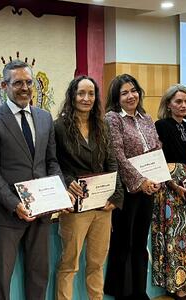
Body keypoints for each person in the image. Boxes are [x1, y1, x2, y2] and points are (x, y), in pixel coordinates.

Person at [0, 60, 63, 300]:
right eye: (18, 82)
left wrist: (58, 191)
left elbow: (52, 162)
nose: (25, 87)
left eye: (29, 82)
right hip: (7, 214)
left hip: (41, 214)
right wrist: (14, 204)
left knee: (39, 274)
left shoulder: (44, 117)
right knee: (2, 278)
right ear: (4, 85)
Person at [54, 76, 124, 300]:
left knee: (96, 263)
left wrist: (117, 195)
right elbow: (53, 163)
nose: (86, 98)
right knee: (69, 264)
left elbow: (112, 162)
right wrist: (66, 181)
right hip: (76, 207)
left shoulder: (102, 125)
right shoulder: (60, 127)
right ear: (72, 95)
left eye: (91, 94)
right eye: (81, 93)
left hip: (103, 207)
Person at [103, 74, 162, 300]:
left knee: (140, 242)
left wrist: (156, 179)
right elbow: (117, 155)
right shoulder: (112, 118)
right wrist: (140, 181)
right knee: (123, 244)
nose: (131, 96)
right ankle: (123, 293)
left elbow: (156, 148)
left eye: (133, 90)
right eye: (124, 92)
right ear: (117, 97)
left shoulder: (146, 118)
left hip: (148, 190)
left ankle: (140, 291)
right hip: (127, 191)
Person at [152, 84, 186, 300]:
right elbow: (158, 158)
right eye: (178, 101)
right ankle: (176, 286)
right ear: (168, 104)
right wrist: (173, 184)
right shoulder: (161, 125)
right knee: (173, 236)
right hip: (169, 185)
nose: (183, 105)